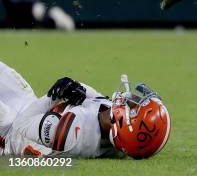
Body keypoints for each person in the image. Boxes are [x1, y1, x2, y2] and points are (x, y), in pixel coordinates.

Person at [0, 62, 171, 158]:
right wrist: (73, 87)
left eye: (137, 105)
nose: (133, 97)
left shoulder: (74, 135)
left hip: (8, 129)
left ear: (126, 120)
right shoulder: (111, 123)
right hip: (26, 104)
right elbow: (94, 97)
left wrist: (53, 97)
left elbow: (21, 123)